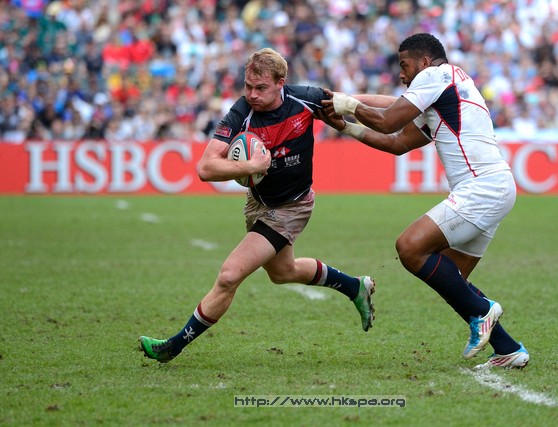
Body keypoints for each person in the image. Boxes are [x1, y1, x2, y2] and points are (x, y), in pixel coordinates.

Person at [139, 48, 375, 363]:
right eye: (248, 86)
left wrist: (409, 106)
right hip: (258, 203)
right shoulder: (241, 112)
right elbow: (206, 167)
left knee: (229, 275)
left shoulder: (306, 99)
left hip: (292, 207)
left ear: (280, 83)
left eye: (260, 88)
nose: (252, 94)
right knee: (283, 272)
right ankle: (355, 287)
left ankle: (173, 346)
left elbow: (357, 103)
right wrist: (250, 166)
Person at [317, 33, 529, 369]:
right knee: (453, 279)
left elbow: (388, 119)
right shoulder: (448, 86)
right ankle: (508, 348)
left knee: (410, 247)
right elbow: (398, 142)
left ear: (424, 62)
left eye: (404, 66)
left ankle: (483, 310)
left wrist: (348, 104)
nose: (401, 74)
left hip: (481, 188)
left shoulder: (435, 75)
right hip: (493, 186)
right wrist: (345, 124)